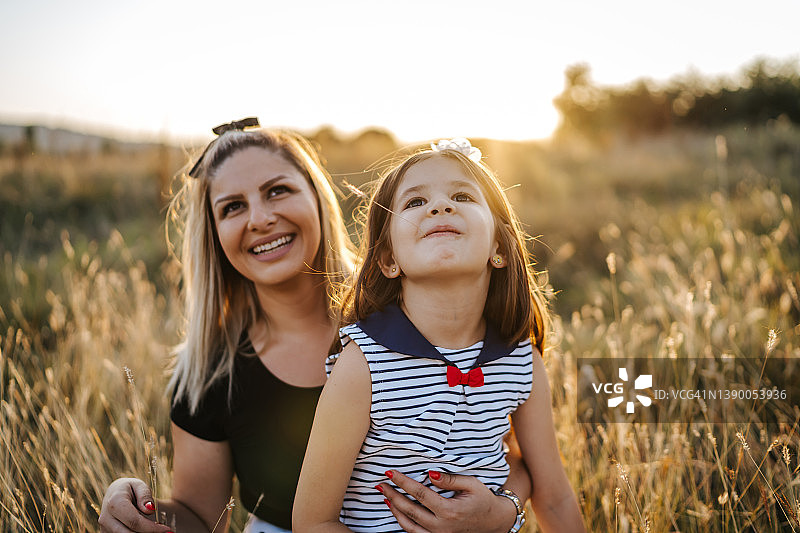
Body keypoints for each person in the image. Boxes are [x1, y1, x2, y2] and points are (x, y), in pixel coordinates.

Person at [98, 123, 532, 533]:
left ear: (317, 198)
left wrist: (502, 511)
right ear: (213, 234)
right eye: (233, 207)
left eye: (278, 191)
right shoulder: (210, 373)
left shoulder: (410, 313)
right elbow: (199, 514)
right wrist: (134, 508)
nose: (260, 218)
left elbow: (498, 450)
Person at [293, 139, 585, 532]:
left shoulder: (520, 360)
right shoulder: (365, 363)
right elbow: (313, 522)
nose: (440, 206)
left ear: (498, 246)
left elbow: (555, 496)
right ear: (389, 259)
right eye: (415, 203)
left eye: (462, 196)